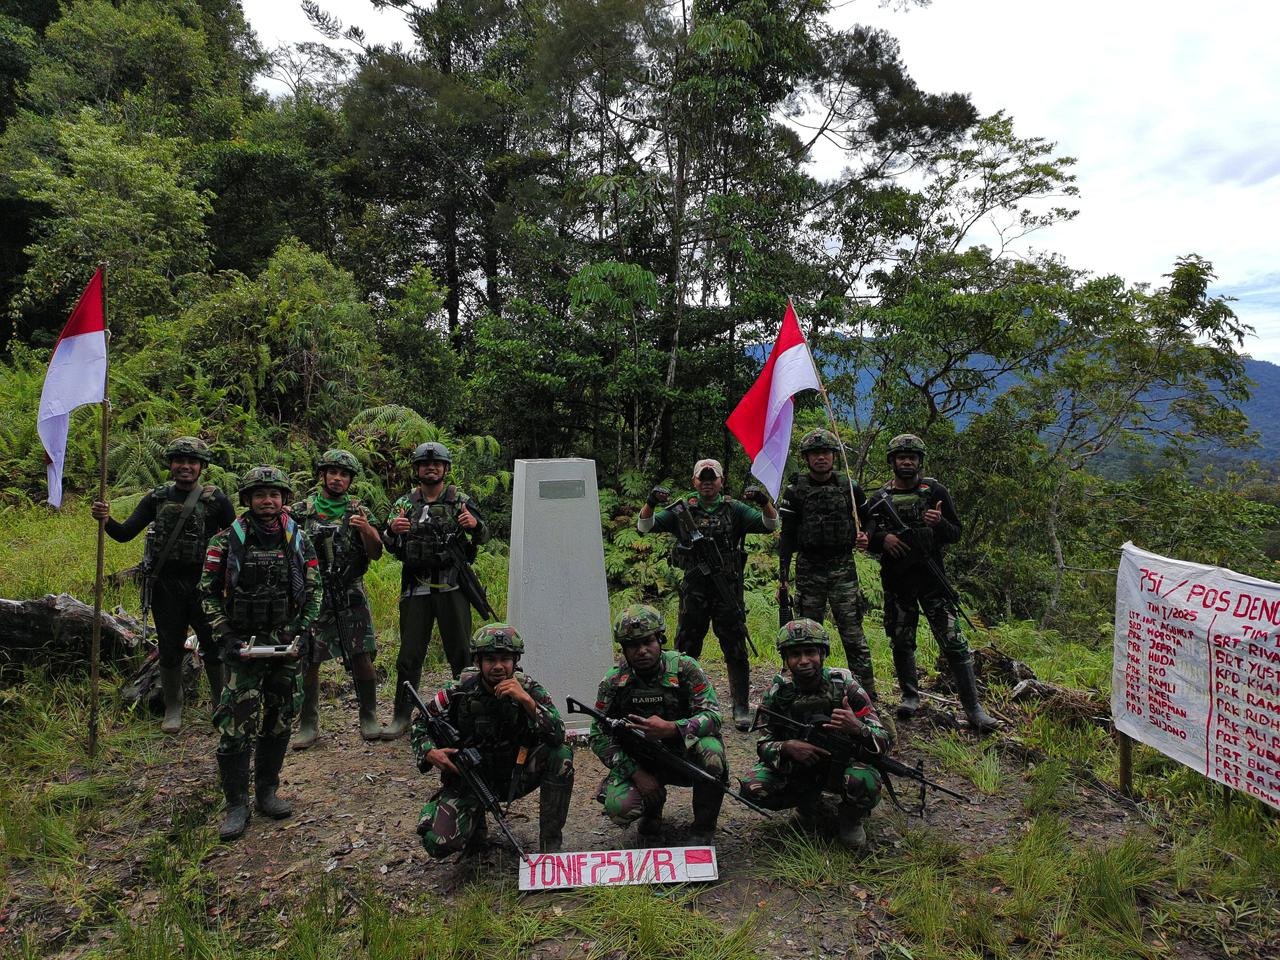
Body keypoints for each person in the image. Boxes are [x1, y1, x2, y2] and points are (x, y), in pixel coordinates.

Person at [202, 466, 323, 842]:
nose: (267, 501)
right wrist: (225, 636)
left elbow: (315, 588)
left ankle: (267, 792)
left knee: (280, 716)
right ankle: (236, 804)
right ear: (247, 500)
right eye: (259, 495)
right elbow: (207, 593)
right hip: (243, 644)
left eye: (274, 495)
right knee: (236, 723)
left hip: (285, 643)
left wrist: (302, 630)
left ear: (284, 499)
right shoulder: (226, 541)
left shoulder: (298, 539)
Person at [90, 436, 235, 733]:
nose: (185, 466)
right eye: (179, 461)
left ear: (202, 467)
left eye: (192, 462)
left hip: (205, 585)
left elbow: (236, 540)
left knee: (213, 645)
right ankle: (173, 706)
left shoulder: (216, 500)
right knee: (170, 648)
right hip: (165, 586)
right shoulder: (156, 498)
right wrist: (106, 520)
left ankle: (222, 704)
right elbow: (125, 534)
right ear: (170, 464)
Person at [864, 434, 998, 733]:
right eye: (901, 457)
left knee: (954, 642)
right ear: (892, 461)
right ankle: (910, 696)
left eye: (912, 457)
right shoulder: (879, 499)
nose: (907, 462)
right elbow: (865, 536)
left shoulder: (935, 491)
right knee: (901, 638)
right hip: (898, 581)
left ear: (920, 461)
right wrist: (883, 539)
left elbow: (956, 533)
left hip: (932, 580)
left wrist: (939, 523)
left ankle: (973, 708)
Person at [636, 458, 777, 730]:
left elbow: (770, 525)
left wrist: (763, 501)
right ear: (694, 481)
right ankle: (681, 702)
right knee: (686, 649)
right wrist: (651, 502)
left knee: (735, 648)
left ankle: (740, 706)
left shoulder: (734, 509)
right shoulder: (682, 510)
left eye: (713, 478)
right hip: (694, 591)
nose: (707, 483)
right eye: (703, 478)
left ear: (722, 481)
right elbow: (644, 527)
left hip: (727, 591)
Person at [410, 623, 574, 856]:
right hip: (471, 778)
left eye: (505, 659)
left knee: (561, 755)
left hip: (516, 774)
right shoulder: (458, 690)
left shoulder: (528, 688)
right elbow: (420, 721)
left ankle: (550, 844)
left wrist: (527, 701)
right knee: (438, 844)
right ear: (478, 661)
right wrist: (429, 752)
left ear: (515, 661)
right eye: (490, 659)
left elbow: (558, 734)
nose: (498, 666)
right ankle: (466, 826)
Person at [741, 618, 888, 851]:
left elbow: (883, 741)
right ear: (786, 659)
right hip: (799, 766)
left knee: (864, 780)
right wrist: (786, 747)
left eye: (810, 652)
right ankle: (808, 805)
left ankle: (850, 818)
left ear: (822, 654)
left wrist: (857, 728)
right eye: (795, 654)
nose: (803, 661)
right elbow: (763, 744)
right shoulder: (777, 694)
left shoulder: (846, 687)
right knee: (753, 786)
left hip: (842, 764)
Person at [590, 604, 726, 843]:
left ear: (660, 639)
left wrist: (673, 728)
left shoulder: (684, 668)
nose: (642, 651)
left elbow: (713, 716)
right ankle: (652, 812)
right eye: (633, 645)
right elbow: (597, 734)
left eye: (648, 642)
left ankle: (703, 829)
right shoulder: (614, 681)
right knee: (620, 807)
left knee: (712, 753)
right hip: (642, 760)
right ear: (623, 649)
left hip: (684, 755)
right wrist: (636, 773)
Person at [382, 441, 490, 740]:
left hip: (452, 586)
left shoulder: (460, 500)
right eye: (425, 464)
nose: (431, 468)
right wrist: (392, 531)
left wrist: (474, 525)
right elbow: (388, 543)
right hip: (416, 588)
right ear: (416, 469)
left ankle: (465, 713)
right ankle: (401, 715)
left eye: (437, 464)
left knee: (461, 653)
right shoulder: (404, 503)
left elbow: (484, 536)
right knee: (409, 655)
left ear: (445, 468)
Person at [289, 450, 384, 747]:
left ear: (350, 480)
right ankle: (308, 723)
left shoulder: (359, 511)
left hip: (349, 591)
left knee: (361, 655)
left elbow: (376, 552)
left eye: (344, 475)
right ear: (322, 475)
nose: (338, 479)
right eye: (333, 473)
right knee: (309, 658)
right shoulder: (302, 510)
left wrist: (366, 529)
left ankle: (368, 716)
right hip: (313, 593)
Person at [777, 428, 875, 696]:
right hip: (809, 569)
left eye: (826, 453)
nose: (821, 458)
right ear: (806, 458)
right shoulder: (795, 490)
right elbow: (787, 536)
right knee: (805, 636)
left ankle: (866, 695)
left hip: (843, 567)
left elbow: (869, 519)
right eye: (815, 453)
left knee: (853, 635)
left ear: (834, 456)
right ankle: (807, 692)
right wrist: (783, 578)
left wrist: (866, 536)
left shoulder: (849, 487)